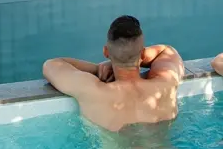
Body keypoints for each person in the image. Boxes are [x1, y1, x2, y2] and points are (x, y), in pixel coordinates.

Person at [42, 15, 184, 133]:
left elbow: (51, 64)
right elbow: (167, 50)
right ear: (143, 53)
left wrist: (97, 69)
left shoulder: (93, 91)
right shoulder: (166, 84)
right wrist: (132, 57)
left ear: (106, 52)